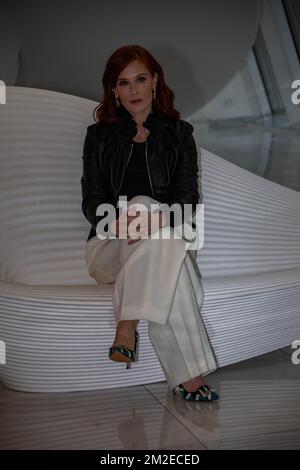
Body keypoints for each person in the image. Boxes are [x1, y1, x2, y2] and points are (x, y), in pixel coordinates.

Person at [81, 45, 219, 401]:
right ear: (113, 90)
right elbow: (92, 203)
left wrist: (155, 216)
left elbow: (188, 201)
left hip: (163, 240)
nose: (134, 90)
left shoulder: (180, 134)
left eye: (141, 79)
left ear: (155, 81)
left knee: (152, 217)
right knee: (146, 215)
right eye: (124, 83)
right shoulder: (97, 137)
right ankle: (190, 376)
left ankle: (127, 327)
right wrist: (117, 223)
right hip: (111, 247)